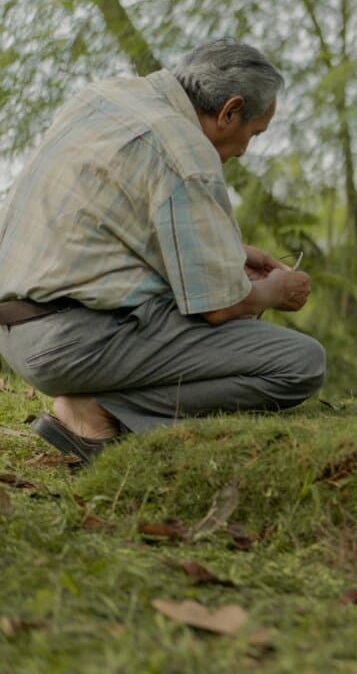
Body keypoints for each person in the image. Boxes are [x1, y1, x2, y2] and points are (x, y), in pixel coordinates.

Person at [0, 38, 325, 464]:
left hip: (14, 332)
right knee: (300, 364)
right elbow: (220, 308)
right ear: (230, 111)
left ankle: (97, 399)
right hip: (74, 343)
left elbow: (111, 221)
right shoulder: (187, 150)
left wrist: (228, 252)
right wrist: (275, 292)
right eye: (253, 133)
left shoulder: (105, 96)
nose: (245, 150)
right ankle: (97, 409)